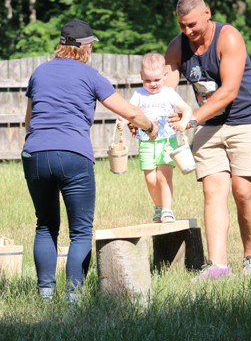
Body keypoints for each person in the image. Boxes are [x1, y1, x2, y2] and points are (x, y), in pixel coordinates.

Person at [22, 18, 158, 303]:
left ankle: (45, 296)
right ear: (83, 47)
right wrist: (150, 127)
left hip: (35, 155)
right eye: (91, 46)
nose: (92, 51)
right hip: (74, 155)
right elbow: (129, 112)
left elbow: (28, 121)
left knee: (45, 225)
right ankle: (73, 297)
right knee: (81, 230)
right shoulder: (90, 75)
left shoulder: (39, 73)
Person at [164, 0, 251, 281]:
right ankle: (218, 267)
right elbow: (165, 90)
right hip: (208, 126)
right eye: (183, 26)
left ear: (207, 13)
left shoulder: (229, 37)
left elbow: (229, 91)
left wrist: (192, 118)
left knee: (242, 190)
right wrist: (146, 117)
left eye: (193, 25)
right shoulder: (177, 47)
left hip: (245, 121)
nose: (188, 32)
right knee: (213, 191)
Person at [119, 52, 193, 224]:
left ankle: (167, 209)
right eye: (148, 80)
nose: (152, 84)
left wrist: (183, 122)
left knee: (163, 176)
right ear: (141, 77)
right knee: (150, 178)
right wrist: (122, 121)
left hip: (167, 141)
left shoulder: (168, 93)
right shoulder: (138, 94)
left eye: (157, 80)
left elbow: (187, 109)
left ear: (165, 76)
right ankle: (158, 207)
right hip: (146, 141)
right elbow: (129, 112)